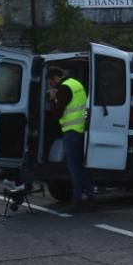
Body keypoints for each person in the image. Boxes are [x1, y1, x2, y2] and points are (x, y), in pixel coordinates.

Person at [46, 65, 94, 210]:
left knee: (74, 168)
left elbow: (57, 113)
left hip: (71, 132)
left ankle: (77, 201)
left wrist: (53, 99)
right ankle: (91, 197)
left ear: (55, 78)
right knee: (82, 167)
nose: (50, 85)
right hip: (81, 130)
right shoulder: (76, 83)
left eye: (50, 82)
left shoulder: (64, 88)